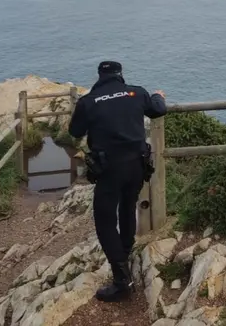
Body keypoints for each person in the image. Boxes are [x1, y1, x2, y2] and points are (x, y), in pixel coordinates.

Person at [68, 61, 167, 302]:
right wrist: (158, 95)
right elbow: (158, 109)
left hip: (110, 169)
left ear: (100, 76)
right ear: (120, 75)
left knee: (105, 221)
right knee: (127, 208)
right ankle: (125, 254)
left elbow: (75, 131)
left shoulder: (89, 101)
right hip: (137, 166)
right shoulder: (136, 93)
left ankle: (122, 280)